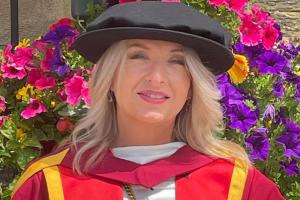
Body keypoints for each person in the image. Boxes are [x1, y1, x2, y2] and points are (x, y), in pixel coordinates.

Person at [11, 1, 285, 200]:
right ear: (110, 76)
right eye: (138, 56)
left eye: (177, 61)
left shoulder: (239, 188)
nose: (156, 77)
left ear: (192, 85)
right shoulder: (49, 185)